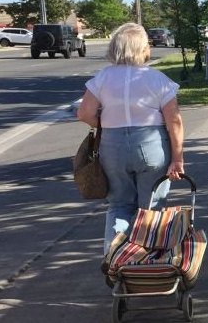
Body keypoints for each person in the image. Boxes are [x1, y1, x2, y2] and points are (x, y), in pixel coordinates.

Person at [77, 23, 185, 254]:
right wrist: (177, 158)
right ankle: (149, 261)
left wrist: (104, 123)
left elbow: (84, 113)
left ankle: (116, 258)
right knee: (152, 208)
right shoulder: (157, 79)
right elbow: (174, 121)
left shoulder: (103, 77)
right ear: (142, 48)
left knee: (119, 205)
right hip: (151, 144)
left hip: (112, 148)